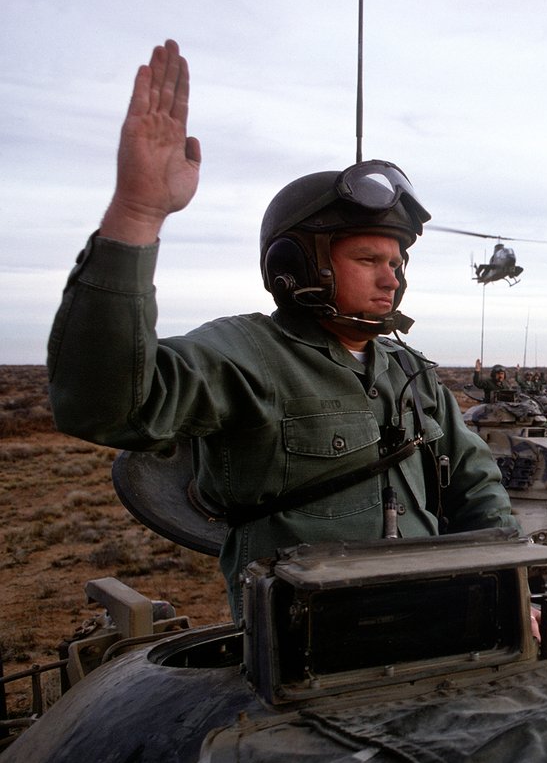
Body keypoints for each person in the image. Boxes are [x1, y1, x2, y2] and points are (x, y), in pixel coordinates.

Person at [46, 40, 518, 618]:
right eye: (369, 260)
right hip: (305, 655)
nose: (391, 278)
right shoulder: (248, 354)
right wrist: (137, 214)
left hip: (434, 630)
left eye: (397, 263)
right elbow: (105, 403)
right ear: (296, 264)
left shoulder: (409, 372)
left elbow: (477, 483)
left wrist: (506, 587)